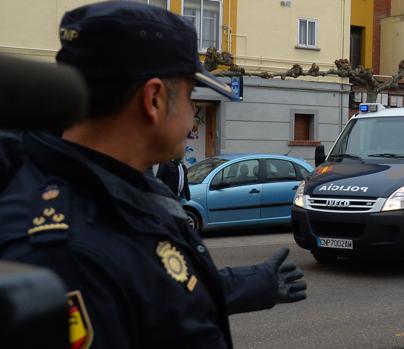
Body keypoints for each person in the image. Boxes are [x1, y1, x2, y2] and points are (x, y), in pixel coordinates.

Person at [0, 2, 306, 349]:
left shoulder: (116, 185)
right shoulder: (66, 251)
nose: (193, 117)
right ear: (155, 98)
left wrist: (249, 284)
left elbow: (151, 290)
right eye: (191, 96)